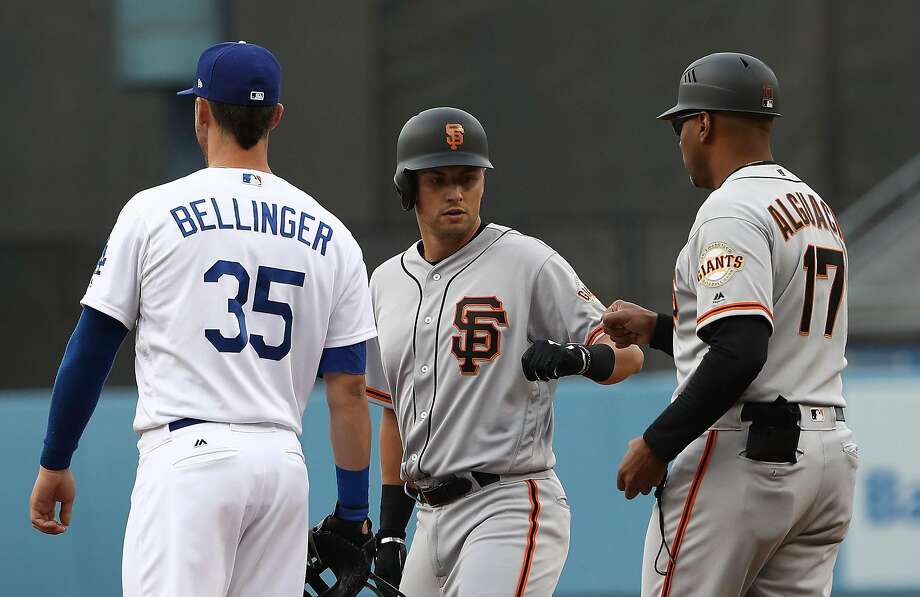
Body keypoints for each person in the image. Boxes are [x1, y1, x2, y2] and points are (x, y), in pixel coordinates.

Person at [29, 41, 378, 597]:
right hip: (283, 468)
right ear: (276, 118)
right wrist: (355, 513)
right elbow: (350, 390)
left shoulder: (153, 211)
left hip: (190, 462)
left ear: (201, 110)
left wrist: (55, 460)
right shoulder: (333, 235)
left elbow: (93, 346)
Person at [603, 52, 857, 597]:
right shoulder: (814, 207)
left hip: (746, 456)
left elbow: (742, 351)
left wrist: (657, 443)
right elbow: (767, 335)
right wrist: (656, 330)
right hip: (826, 457)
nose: (680, 141)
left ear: (705, 124)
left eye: (680, 126)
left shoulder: (731, 209)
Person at [365, 106, 644, 596]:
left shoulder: (526, 261)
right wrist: (391, 529)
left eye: (468, 178)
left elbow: (629, 355)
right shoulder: (386, 282)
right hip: (428, 518)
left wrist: (576, 358)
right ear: (407, 188)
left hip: (508, 503)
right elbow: (392, 415)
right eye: (438, 179)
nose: (455, 192)